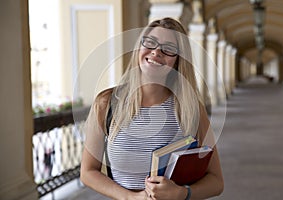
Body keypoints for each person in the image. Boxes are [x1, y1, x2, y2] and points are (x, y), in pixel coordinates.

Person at [80, 17, 224, 200]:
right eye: (150, 43)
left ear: (178, 60)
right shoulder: (106, 103)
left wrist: (181, 193)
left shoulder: (191, 108)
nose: (156, 52)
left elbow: (217, 181)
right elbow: (87, 172)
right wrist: (130, 197)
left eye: (169, 49)